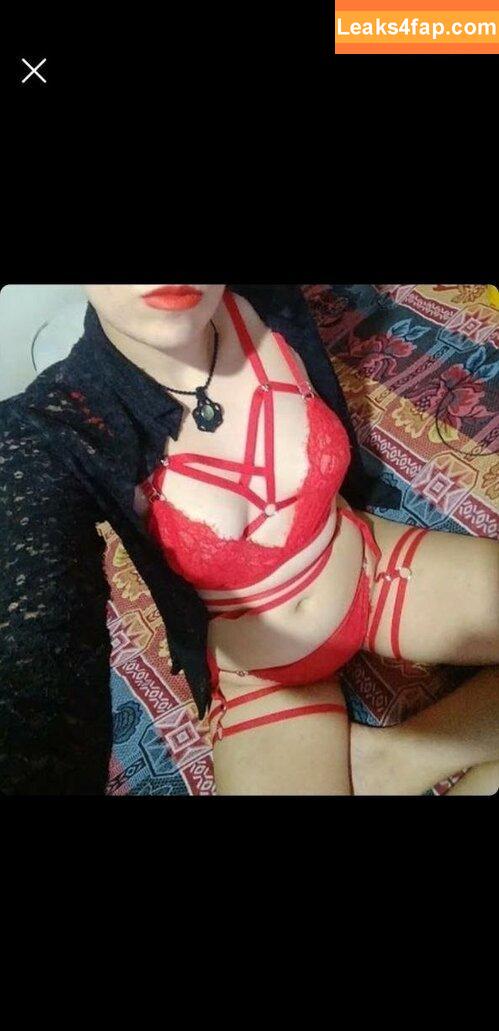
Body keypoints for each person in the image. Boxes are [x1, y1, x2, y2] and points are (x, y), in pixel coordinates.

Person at [1, 284, 498, 795]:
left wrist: (418, 752)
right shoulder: (51, 431)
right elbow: (35, 680)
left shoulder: (268, 297)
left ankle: (398, 757)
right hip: (260, 677)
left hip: (370, 569)